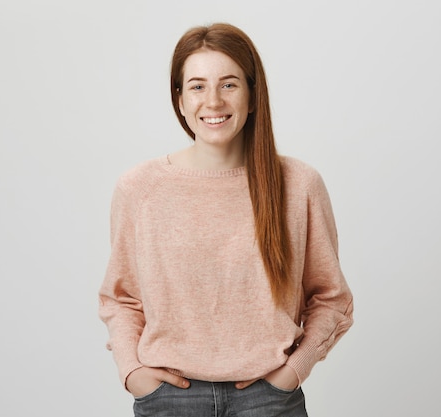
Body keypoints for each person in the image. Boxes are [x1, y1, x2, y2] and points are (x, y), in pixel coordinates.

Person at [98, 22, 353, 417]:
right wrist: (132, 371)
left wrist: (293, 371)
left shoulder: (299, 185)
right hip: (169, 400)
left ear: (253, 97)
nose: (213, 101)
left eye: (229, 84)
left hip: (269, 400)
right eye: (198, 86)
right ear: (180, 100)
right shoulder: (139, 188)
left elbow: (331, 298)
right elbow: (122, 298)